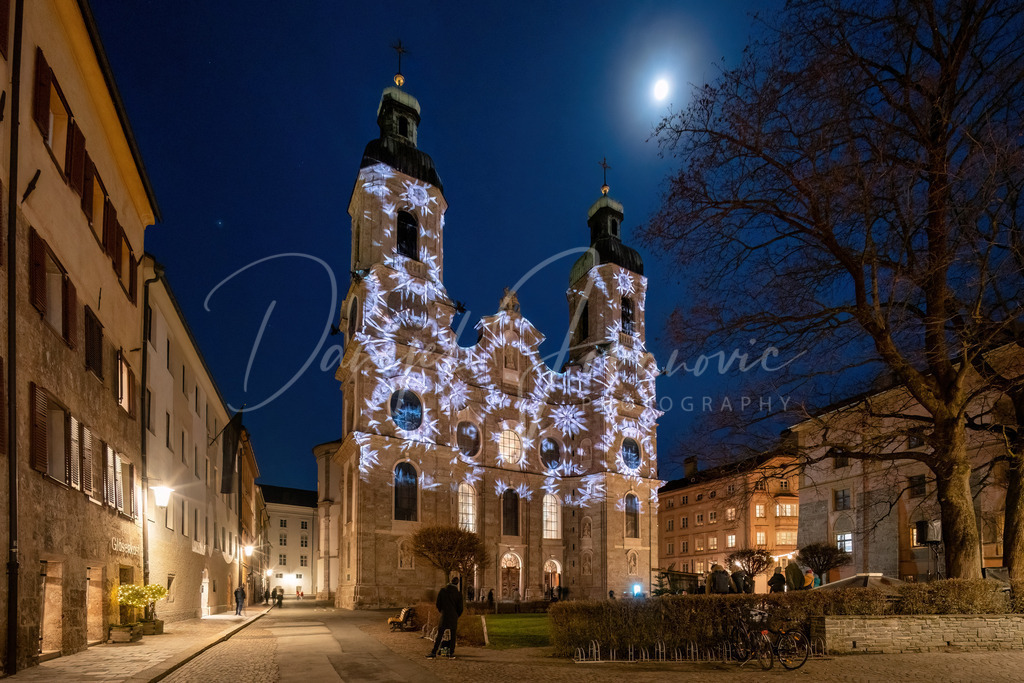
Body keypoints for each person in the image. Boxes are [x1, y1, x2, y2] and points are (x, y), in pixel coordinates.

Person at [427, 577, 464, 659]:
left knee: (440, 634)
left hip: (444, 614)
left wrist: (442, 611)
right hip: (454, 615)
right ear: (457, 584)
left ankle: (434, 652)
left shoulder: (443, 591)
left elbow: (438, 604)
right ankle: (451, 653)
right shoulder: (458, 594)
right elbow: (460, 608)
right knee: (453, 635)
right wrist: (456, 615)